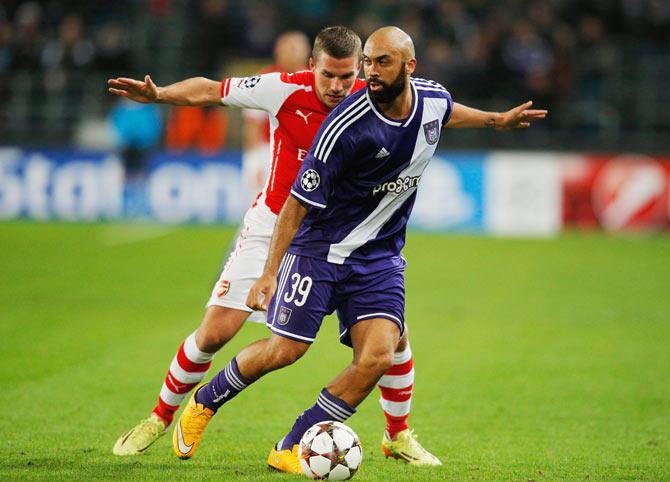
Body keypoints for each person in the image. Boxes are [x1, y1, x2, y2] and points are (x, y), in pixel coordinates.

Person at [172, 26, 547, 473]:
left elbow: (447, 113)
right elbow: (295, 203)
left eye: (381, 62)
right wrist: (270, 272)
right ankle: (206, 399)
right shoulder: (344, 127)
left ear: (410, 66)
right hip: (319, 249)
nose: (370, 72)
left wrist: (495, 120)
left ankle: (294, 443)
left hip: (378, 256)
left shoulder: (431, 99)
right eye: (367, 62)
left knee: (378, 355)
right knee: (285, 351)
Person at [108, 26, 441, 467]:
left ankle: (397, 435)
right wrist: (162, 95)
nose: (339, 87)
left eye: (348, 77)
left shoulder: (373, 95)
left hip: (336, 233)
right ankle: (159, 416)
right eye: (329, 76)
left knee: (392, 339)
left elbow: (436, 110)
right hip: (273, 223)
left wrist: (496, 120)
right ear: (311, 68)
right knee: (217, 331)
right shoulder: (280, 89)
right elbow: (211, 89)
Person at [242, 31, 310, 203]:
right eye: (289, 47)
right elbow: (252, 123)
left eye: (296, 47)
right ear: (277, 51)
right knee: (258, 206)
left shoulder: (315, 80)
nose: (293, 52)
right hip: (269, 153)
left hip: (303, 154)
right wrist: (254, 161)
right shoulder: (264, 79)